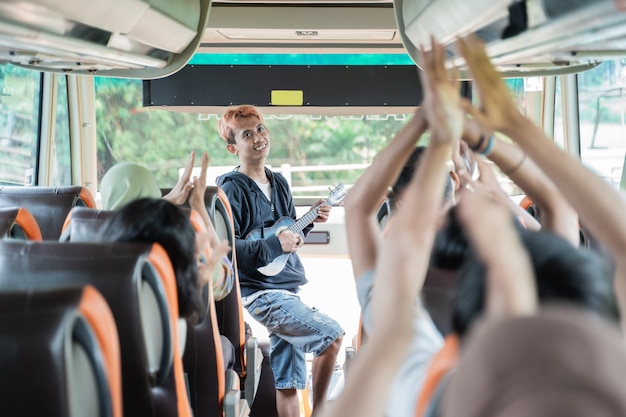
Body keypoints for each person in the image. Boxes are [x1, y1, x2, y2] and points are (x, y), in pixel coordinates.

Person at [216, 105, 344, 417]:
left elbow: (287, 237)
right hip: (261, 293)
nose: (258, 137)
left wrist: (310, 221)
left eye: (260, 128)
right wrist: (277, 242)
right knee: (332, 337)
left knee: (289, 384)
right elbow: (229, 249)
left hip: (286, 289)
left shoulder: (280, 183)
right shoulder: (231, 187)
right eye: (247, 134)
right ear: (234, 147)